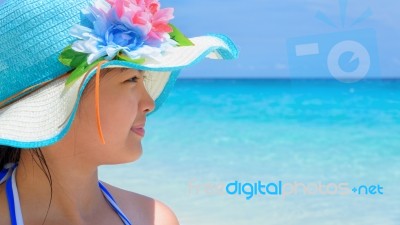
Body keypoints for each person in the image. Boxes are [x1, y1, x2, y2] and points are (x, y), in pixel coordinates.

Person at [0, 0, 238, 224]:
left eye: (143, 78)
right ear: (60, 101)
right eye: (132, 78)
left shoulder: (153, 219)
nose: (149, 103)